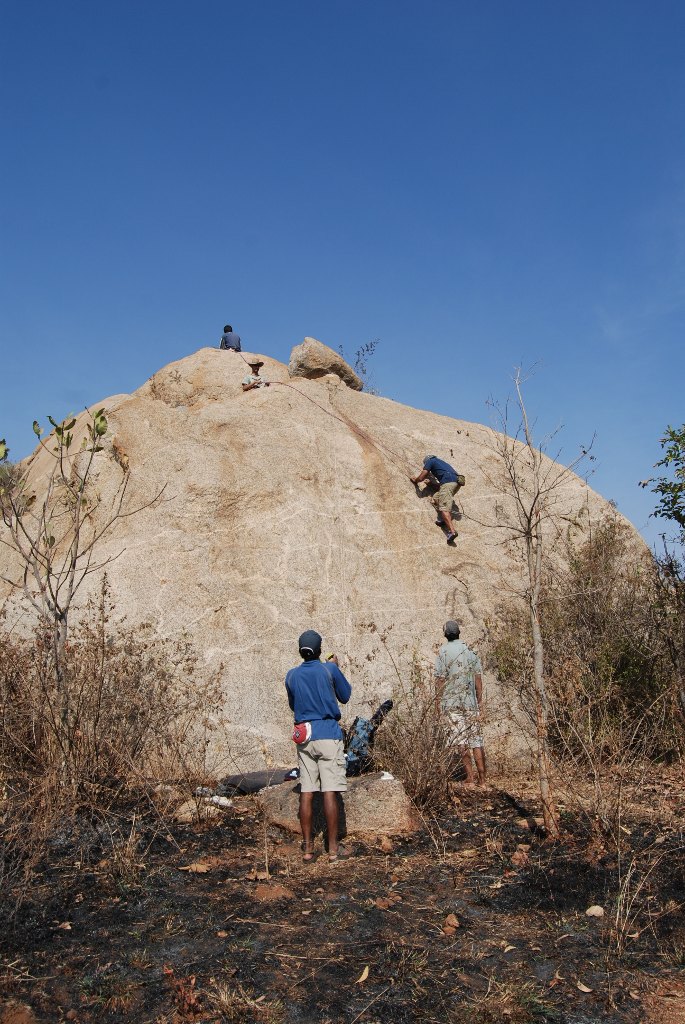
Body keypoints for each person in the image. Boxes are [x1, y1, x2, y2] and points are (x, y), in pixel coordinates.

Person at [285, 629, 352, 862]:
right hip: (327, 733)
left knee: (307, 791)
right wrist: (335, 667)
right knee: (329, 791)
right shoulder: (329, 669)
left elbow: (294, 705)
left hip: (304, 736)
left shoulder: (291, 675)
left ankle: (307, 850)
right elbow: (345, 696)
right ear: (320, 649)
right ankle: (333, 849)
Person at [434, 620, 487, 786]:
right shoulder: (470, 650)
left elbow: (440, 680)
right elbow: (478, 678)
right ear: (459, 633)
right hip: (470, 702)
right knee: (477, 741)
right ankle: (483, 780)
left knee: (461, 741)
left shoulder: (442, 652)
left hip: (452, 704)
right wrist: (479, 700)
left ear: (445, 634)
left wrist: (438, 702)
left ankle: (470, 777)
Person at [410, 455, 462, 543]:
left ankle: (452, 532)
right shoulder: (442, 464)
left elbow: (423, 475)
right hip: (455, 483)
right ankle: (444, 519)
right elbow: (442, 487)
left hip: (448, 483)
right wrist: (430, 484)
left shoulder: (431, 461)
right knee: (436, 498)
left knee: (444, 507)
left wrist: (416, 480)